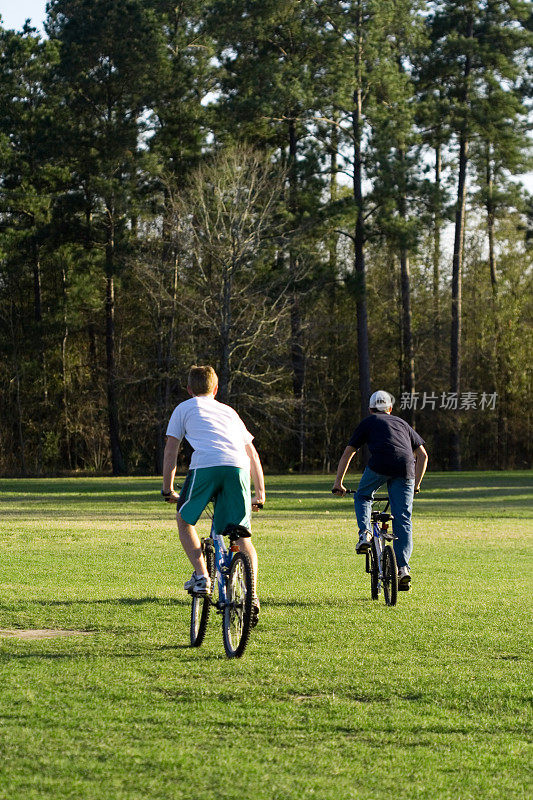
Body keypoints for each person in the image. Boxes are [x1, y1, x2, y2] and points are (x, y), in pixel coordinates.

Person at [161, 365, 265, 621]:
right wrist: (260, 492)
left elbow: (171, 450)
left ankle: (202, 577)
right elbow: (252, 453)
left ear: (189, 390)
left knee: (184, 520)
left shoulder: (184, 408)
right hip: (238, 468)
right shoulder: (229, 411)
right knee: (242, 537)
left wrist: (168, 488)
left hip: (206, 465)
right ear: (216, 389)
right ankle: (251, 593)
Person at [332, 390, 428, 590]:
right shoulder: (402, 423)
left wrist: (338, 483)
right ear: (390, 409)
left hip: (380, 465)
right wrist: (416, 485)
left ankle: (365, 534)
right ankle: (403, 569)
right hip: (406, 468)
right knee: (402, 517)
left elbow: (348, 453)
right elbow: (423, 456)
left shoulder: (369, 422)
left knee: (363, 495)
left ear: (370, 410)